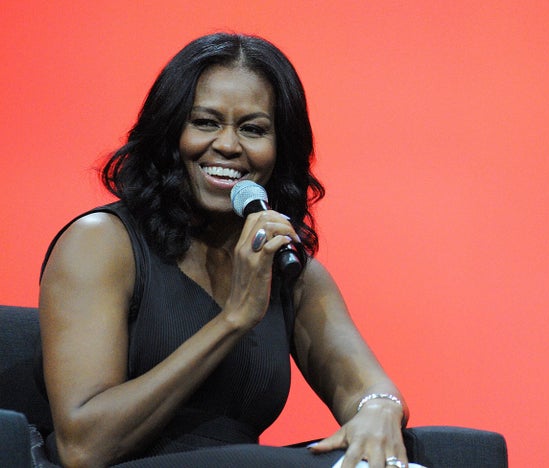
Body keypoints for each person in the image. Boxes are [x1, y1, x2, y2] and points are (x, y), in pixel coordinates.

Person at [37, 32, 413, 468]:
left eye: (253, 129)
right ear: (169, 131)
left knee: (428, 452)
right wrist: (234, 319)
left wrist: (380, 410)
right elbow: (83, 447)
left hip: (244, 463)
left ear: (280, 149)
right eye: (205, 122)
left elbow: (363, 385)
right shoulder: (101, 242)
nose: (229, 145)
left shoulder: (287, 268)